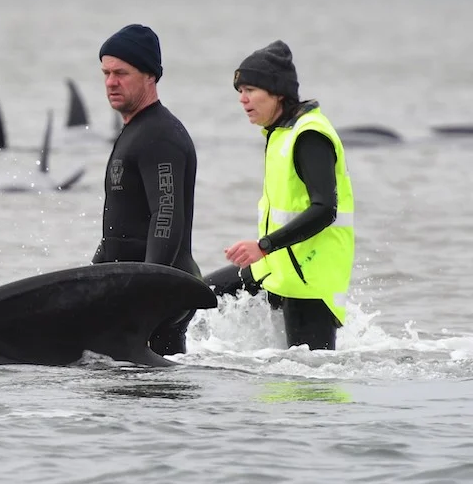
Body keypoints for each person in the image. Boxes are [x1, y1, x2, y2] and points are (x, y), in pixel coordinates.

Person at [207, 40, 355, 350]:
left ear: (278, 93)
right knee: (197, 296)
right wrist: (265, 251)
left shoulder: (309, 135)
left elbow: (325, 209)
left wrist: (264, 245)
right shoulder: (280, 133)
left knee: (305, 385)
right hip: (275, 267)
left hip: (310, 282)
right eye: (239, 92)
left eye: (250, 90)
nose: (242, 100)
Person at [93, 24, 201, 355]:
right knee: (137, 393)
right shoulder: (136, 131)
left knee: (151, 396)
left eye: (121, 73)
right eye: (106, 72)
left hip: (159, 292)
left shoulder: (160, 137)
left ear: (149, 76)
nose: (111, 82)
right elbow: (123, 222)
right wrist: (95, 274)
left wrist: (149, 288)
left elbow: (166, 213)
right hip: (138, 287)